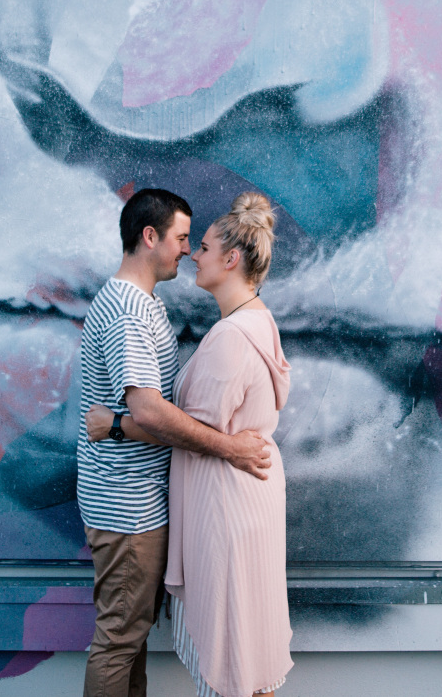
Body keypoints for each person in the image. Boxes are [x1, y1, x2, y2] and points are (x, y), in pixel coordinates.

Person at [91, 193, 293, 697]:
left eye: (200, 246)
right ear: (150, 236)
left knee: (230, 645)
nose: (190, 253)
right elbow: (166, 416)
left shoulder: (229, 335)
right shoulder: (251, 323)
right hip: (145, 506)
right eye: (186, 241)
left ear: (232, 259)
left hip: (222, 506)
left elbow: (188, 424)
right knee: (231, 642)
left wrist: (114, 425)